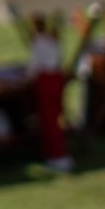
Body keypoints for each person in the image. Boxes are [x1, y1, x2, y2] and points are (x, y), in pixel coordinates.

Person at [27, 15, 72, 173]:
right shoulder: (54, 38)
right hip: (56, 78)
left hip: (46, 80)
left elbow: (34, 65)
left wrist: (28, 76)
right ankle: (58, 154)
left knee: (49, 120)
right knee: (57, 117)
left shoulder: (39, 41)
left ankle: (57, 155)